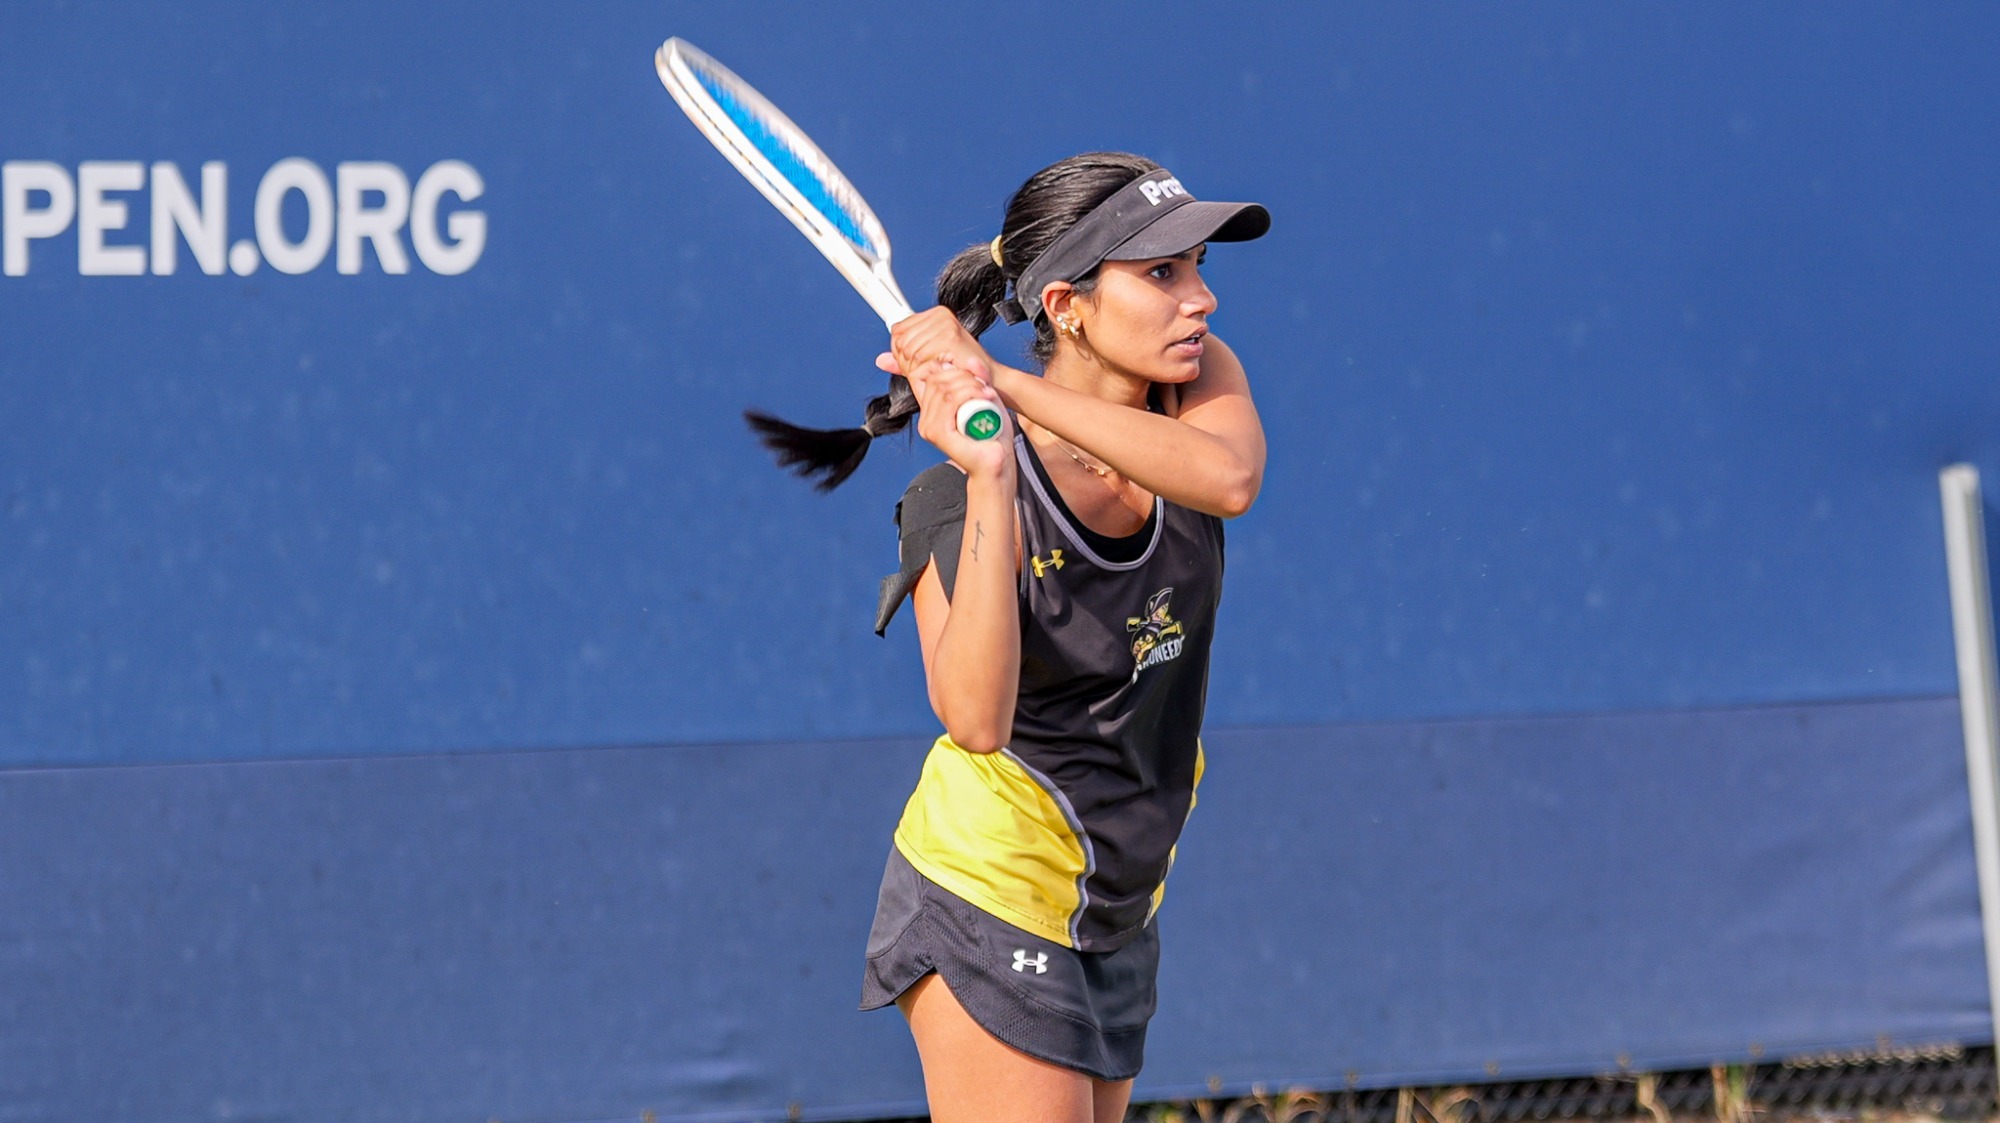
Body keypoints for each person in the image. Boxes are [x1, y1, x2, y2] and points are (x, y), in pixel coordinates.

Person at [771, 152, 1268, 1123]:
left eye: (1199, 266)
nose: (1198, 300)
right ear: (1067, 305)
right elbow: (974, 717)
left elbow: (1228, 481)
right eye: (1161, 273)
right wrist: (994, 471)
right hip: (987, 890)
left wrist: (999, 378)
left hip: (1117, 900)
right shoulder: (952, 498)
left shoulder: (1196, 386)